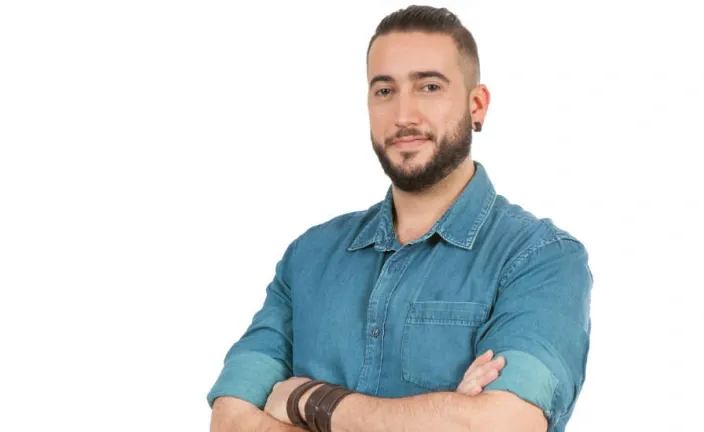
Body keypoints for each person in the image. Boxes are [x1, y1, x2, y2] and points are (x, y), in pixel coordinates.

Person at [207, 5, 593, 432]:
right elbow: (229, 421)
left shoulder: (541, 259)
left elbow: (504, 424)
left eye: (429, 87)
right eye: (385, 91)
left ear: (477, 105)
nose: (404, 115)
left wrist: (308, 400)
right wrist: (444, 415)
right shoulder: (309, 257)